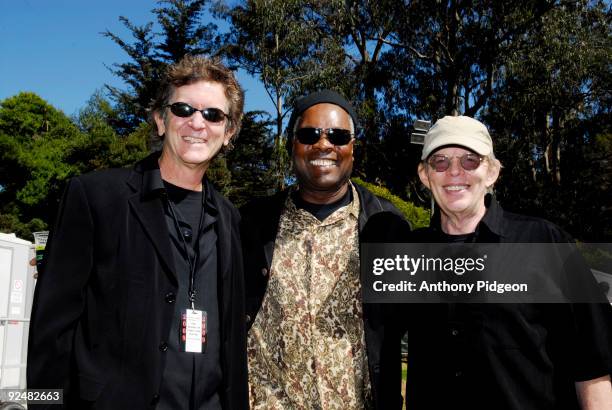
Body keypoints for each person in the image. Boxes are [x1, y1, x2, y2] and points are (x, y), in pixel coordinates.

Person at [27, 55, 248, 409]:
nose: (197, 123)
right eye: (183, 109)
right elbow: (50, 331)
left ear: (228, 132)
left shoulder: (230, 218)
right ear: (161, 120)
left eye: (213, 115)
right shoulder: (95, 197)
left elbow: (233, 342)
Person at [405, 115, 612, 409]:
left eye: (470, 160)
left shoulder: (544, 241)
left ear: (492, 172)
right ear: (425, 175)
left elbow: (593, 363)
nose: (454, 172)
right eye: (440, 161)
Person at [240, 89, 409, 409]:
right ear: (292, 145)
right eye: (309, 134)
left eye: (338, 136)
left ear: (353, 149)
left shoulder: (387, 227)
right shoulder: (250, 224)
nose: (323, 144)